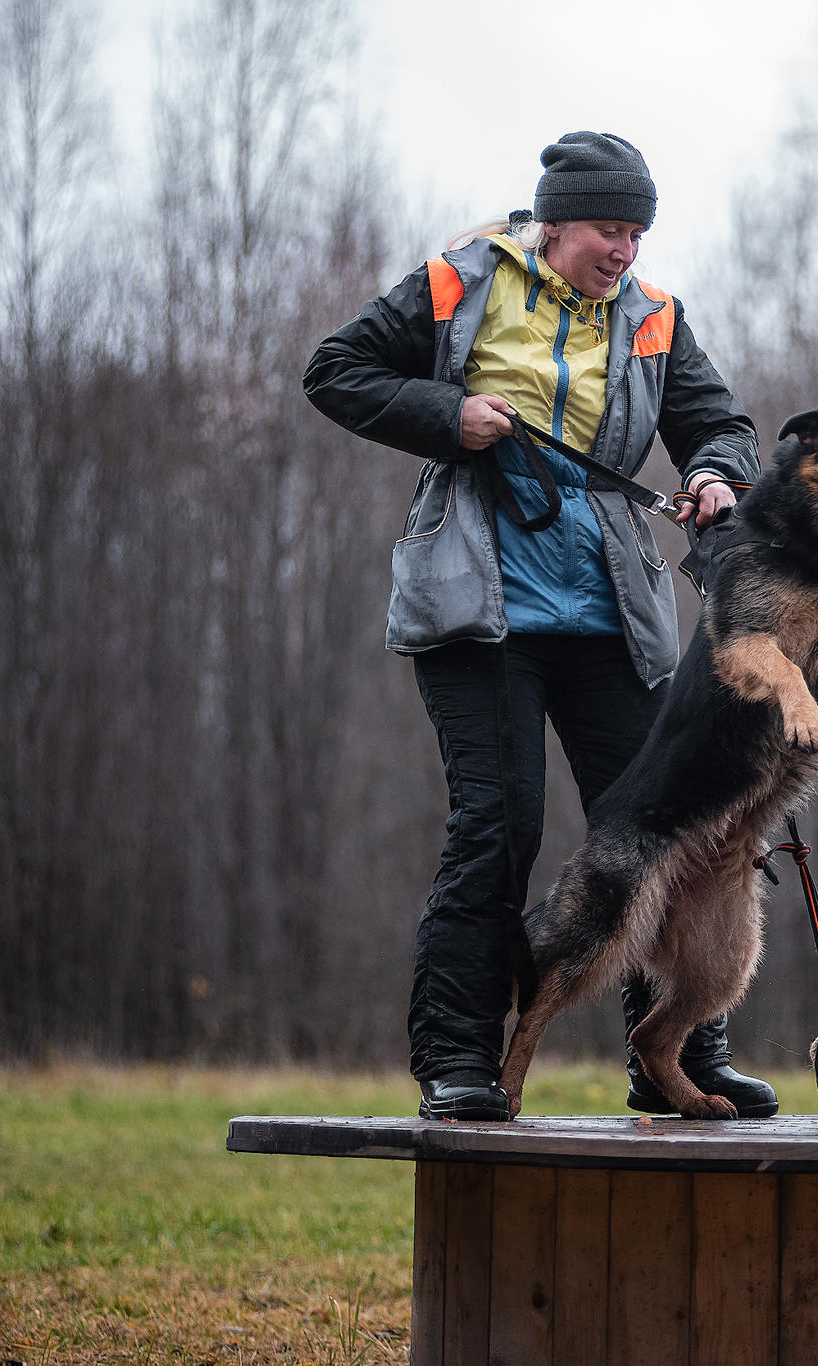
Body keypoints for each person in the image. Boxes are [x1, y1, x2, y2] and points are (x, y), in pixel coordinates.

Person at [303, 131, 778, 1123]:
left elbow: (719, 425)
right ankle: (457, 1061)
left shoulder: (652, 318)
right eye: (609, 228)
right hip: (480, 615)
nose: (625, 251)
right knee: (498, 826)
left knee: (672, 831)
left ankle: (675, 1058)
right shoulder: (463, 277)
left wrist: (709, 475)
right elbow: (335, 371)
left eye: (638, 232)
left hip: (608, 619)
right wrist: (448, 414)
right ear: (554, 223)